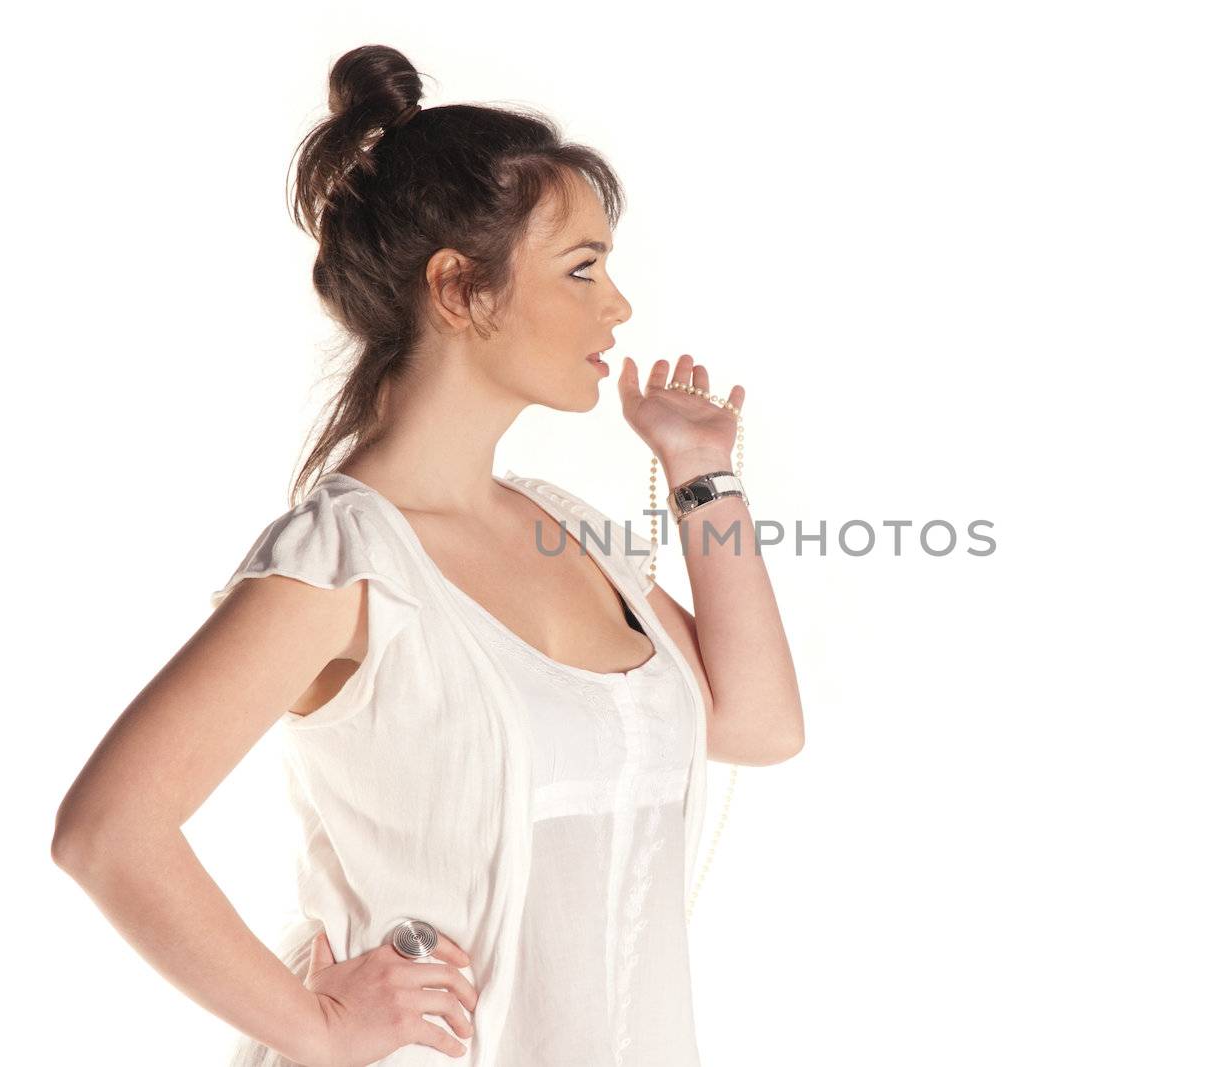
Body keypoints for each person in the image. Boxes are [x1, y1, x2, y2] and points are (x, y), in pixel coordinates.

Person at [50, 43, 805, 1067]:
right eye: (582, 268)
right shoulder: (343, 561)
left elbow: (757, 725)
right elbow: (108, 830)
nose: (617, 307)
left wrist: (702, 475)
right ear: (458, 289)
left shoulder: (564, 526)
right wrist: (317, 1024)